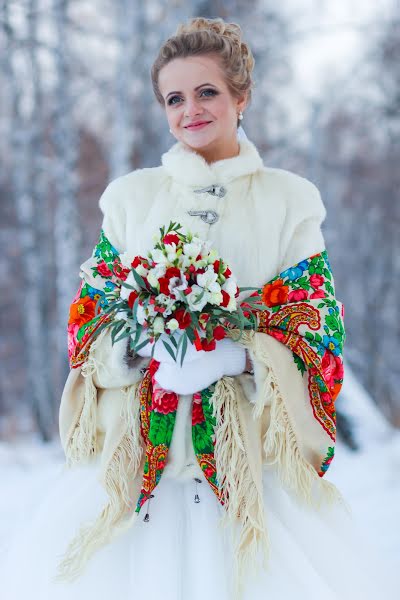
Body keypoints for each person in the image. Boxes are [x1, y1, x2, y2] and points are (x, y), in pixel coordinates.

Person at [1, 16, 396, 600]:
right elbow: (89, 321)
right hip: (138, 464)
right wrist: (138, 346)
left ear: (242, 95)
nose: (191, 110)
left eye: (207, 91)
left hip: (247, 472)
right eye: (174, 98)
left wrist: (236, 356)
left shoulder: (290, 203)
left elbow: (320, 329)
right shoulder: (131, 199)